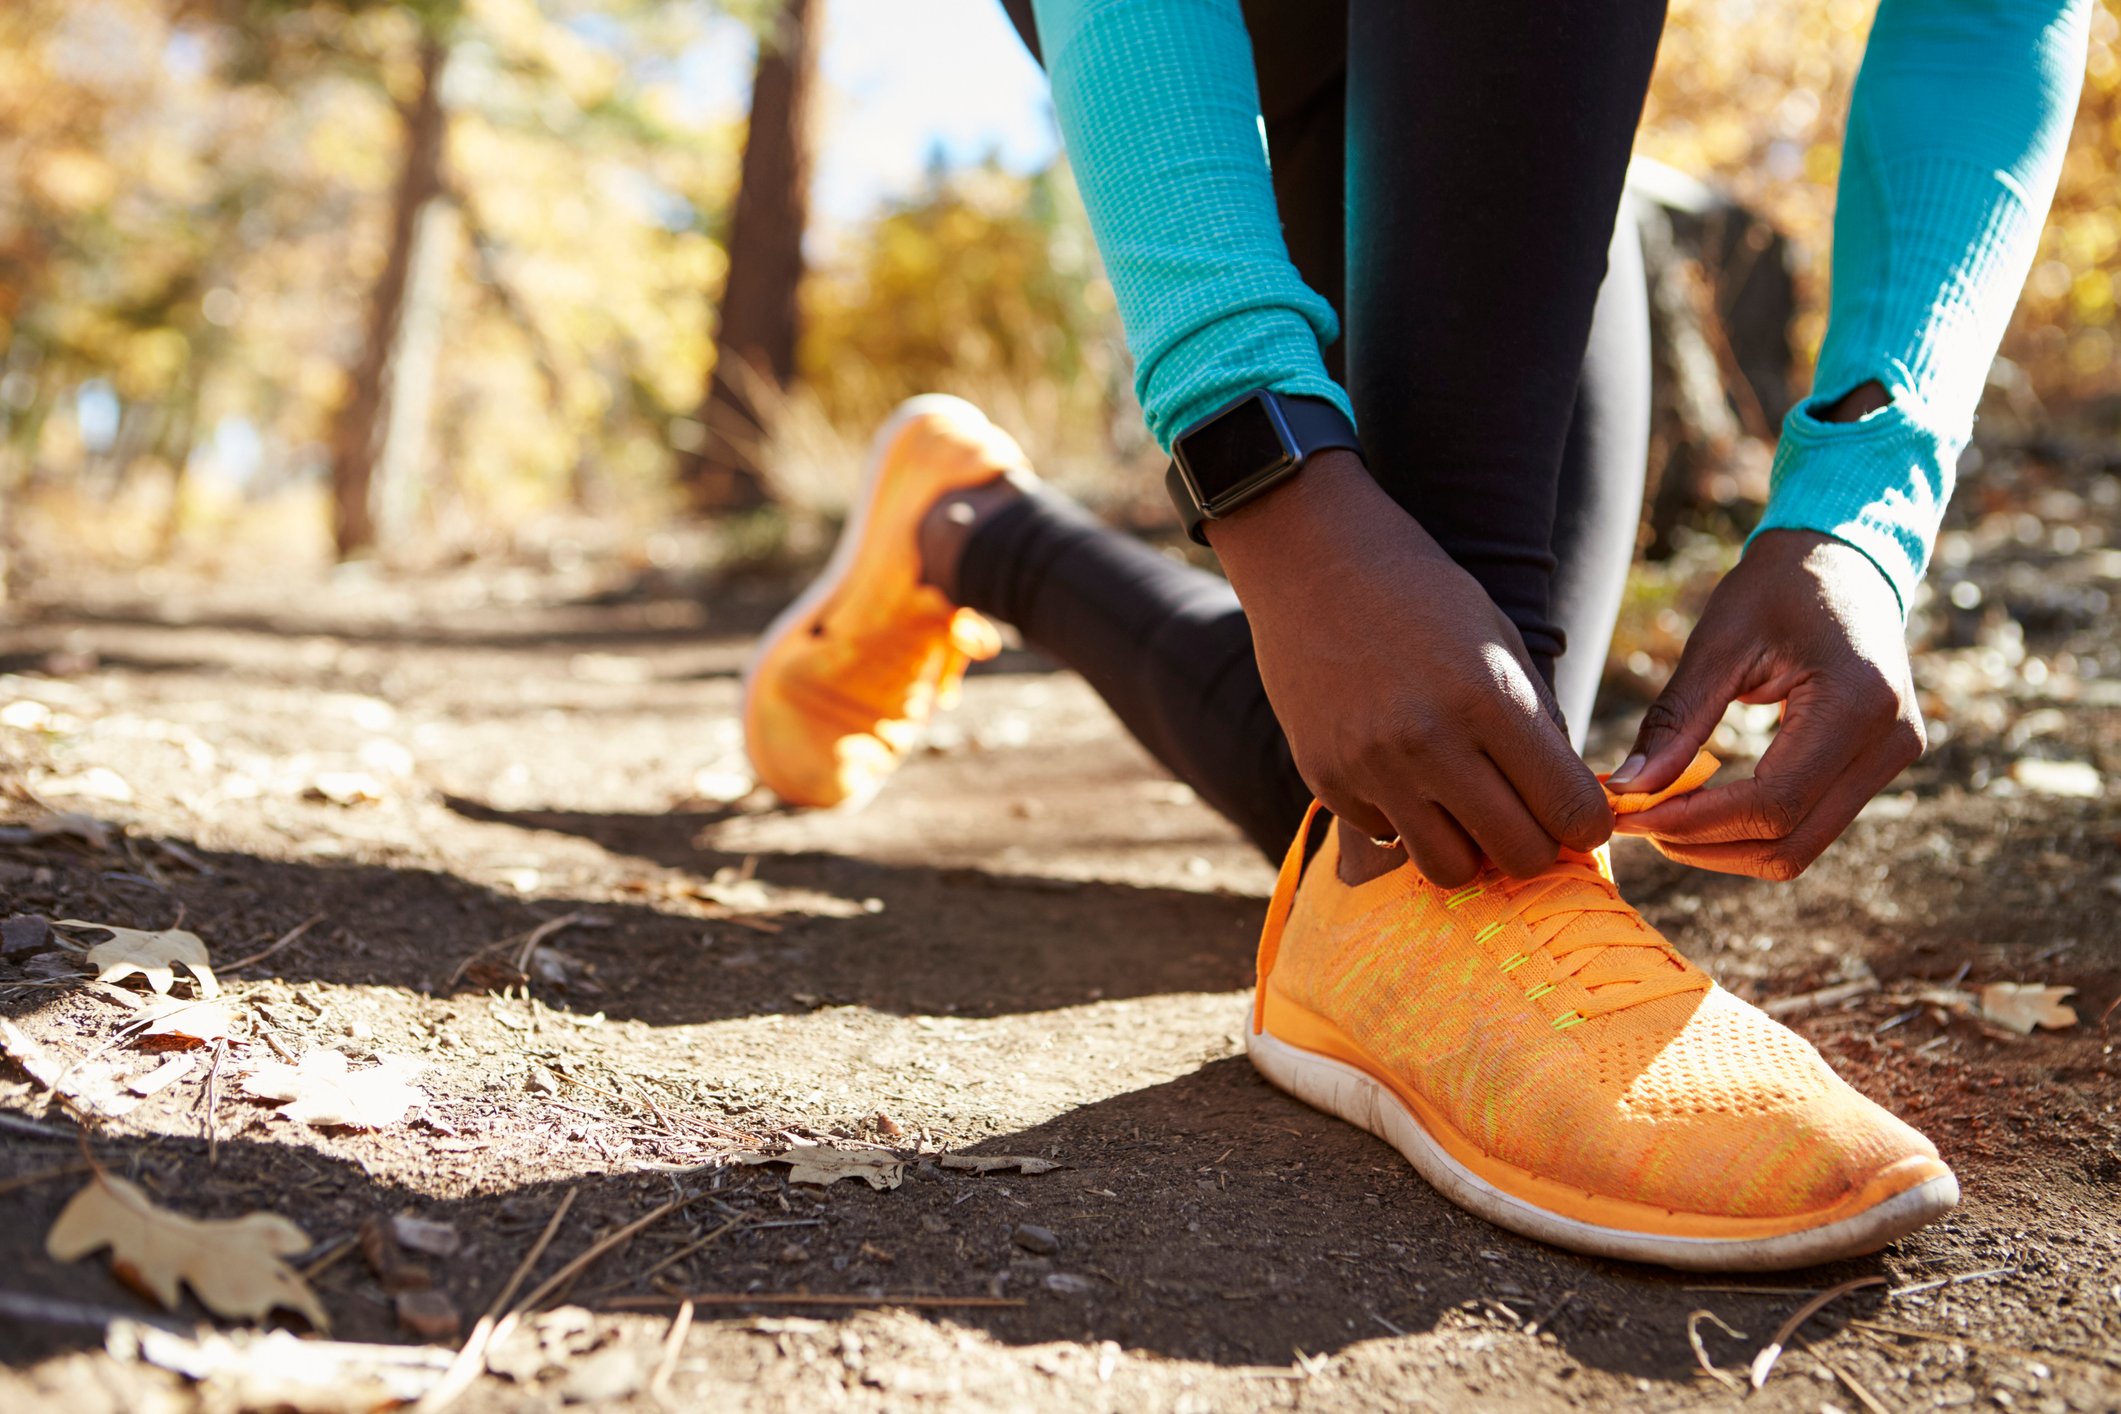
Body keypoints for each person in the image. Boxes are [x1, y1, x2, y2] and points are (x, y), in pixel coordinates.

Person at [741, 0, 2090, 1271]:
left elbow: (1994, 14)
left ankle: (965, 529)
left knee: (1412, 771)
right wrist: (1266, 475)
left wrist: (1858, 514)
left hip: (1494, 71)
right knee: (1410, 772)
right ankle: (1428, 910)